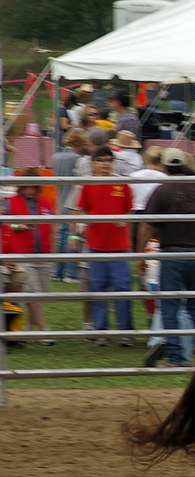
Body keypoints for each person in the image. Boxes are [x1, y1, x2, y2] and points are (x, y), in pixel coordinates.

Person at [137, 148, 195, 368]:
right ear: (185, 166)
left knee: (170, 306)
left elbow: (146, 227)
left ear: (164, 167)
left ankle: (175, 358)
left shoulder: (162, 191)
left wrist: (139, 255)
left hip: (172, 254)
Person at [73, 146, 135, 346]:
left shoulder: (121, 184)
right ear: (93, 163)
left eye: (108, 160)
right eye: (101, 160)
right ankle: (101, 331)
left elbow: (130, 211)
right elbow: (80, 210)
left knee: (122, 289)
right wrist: (85, 222)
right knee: (98, 289)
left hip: (119, 247)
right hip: (96, 246)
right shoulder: (88, 185)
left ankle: (125, 332)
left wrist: (124, 220)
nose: (105, 164)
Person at [2, 171, 56, 345]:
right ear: (21, 186)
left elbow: (52, 228)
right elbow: (4, 226)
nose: (31, 190)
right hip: (22, 254)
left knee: (40, 294)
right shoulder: (10, 203)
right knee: (34, 294)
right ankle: (44, 330)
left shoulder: (46, 203)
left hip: (44, 254)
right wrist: (17, 226)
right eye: (27, 186)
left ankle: (28, 330)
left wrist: (53, 253)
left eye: (34, 186)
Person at [50, 128, 87, 283]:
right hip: (72, 201)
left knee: (60, 237)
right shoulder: (78, 159)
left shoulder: (55, 157)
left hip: (59, 198)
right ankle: (70, 272)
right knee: (72, 237)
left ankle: (56, 270)